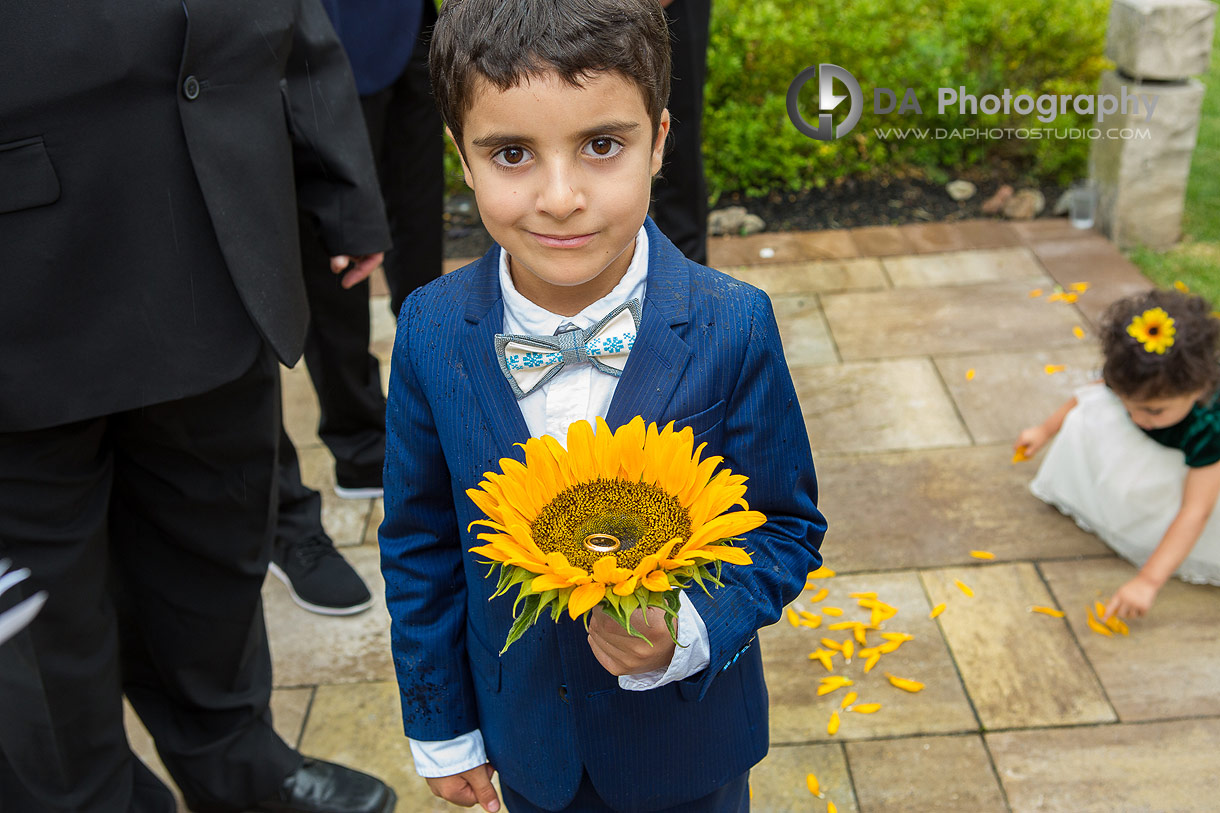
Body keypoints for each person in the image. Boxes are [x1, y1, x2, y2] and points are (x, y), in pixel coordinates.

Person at [378, 1, 827, 811]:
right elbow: (420, 543)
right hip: (530, 745)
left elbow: (785, 527)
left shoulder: (733, 324)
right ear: (463, 157)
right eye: (512, 152)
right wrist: (441, 726)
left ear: (658, 141)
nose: (560, 197)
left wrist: (685, 632)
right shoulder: (431, 329)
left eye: (601, 145)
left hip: (688, 745)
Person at [0, 2, 397, 810]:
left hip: (219, 236)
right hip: (25, 284)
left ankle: (231, 748)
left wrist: (337, 172)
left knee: (210, 541)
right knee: (41, 626)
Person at [270, 0, 446, 616]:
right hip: (322, 35)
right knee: (339, 243)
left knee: (419, 236)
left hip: (411, 28)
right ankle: (358, 439)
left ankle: (433, 410)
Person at [1016, 289, 1220, 621]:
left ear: (1198, 389)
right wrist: (1044, 430)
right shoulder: (1136, 381)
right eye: (1129, 405)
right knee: (1092, 416)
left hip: (1198, 473)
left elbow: (1195, 511)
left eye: (1154, 411)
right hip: (1157, 447)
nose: (1139, 418)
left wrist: (1148, 581)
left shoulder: (1209, 427)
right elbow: (1090, 395)